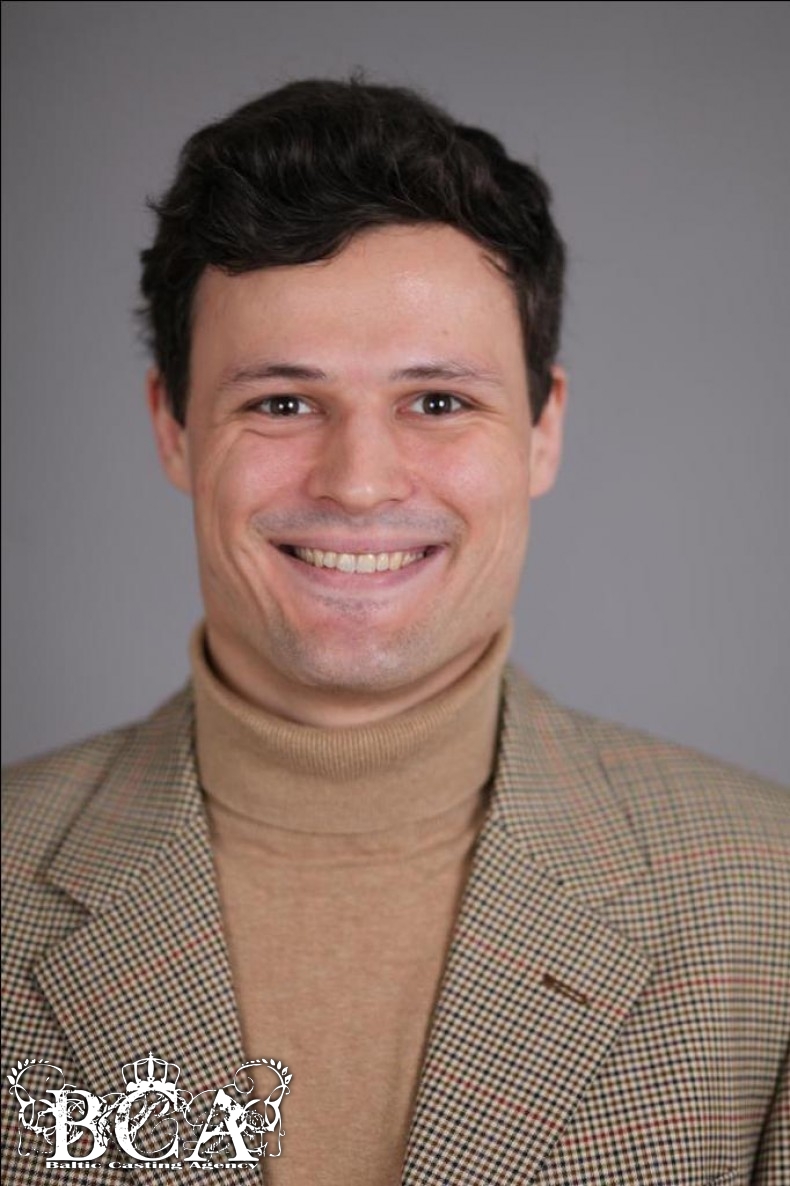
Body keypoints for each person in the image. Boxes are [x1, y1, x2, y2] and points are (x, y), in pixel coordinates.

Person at [2, 78, 787, 1185]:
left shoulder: (770, 907)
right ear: (173, 428)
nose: (360, 483)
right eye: (281, 402)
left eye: (437, 402)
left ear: (542, 430)